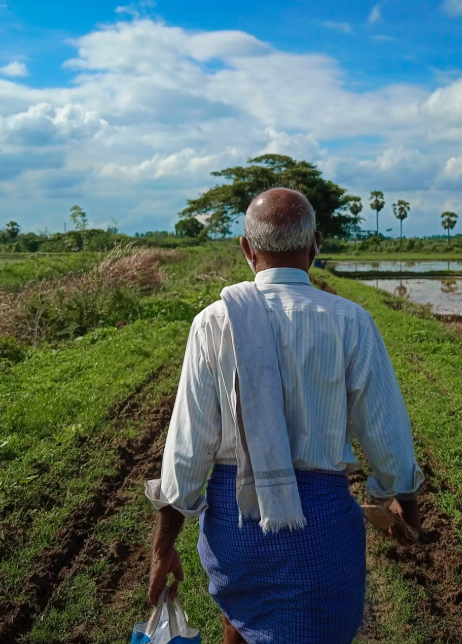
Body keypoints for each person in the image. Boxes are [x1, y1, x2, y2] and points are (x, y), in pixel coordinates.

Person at [145, 187, 423, 644]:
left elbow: (187, 449)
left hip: (234, 532)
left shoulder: (214, 322)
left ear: (247, 250)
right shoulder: (350, 321)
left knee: (237, 620)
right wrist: (405, 503)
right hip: (321, 531)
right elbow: (386, 433)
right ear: (315, 244)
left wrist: (163, 547)